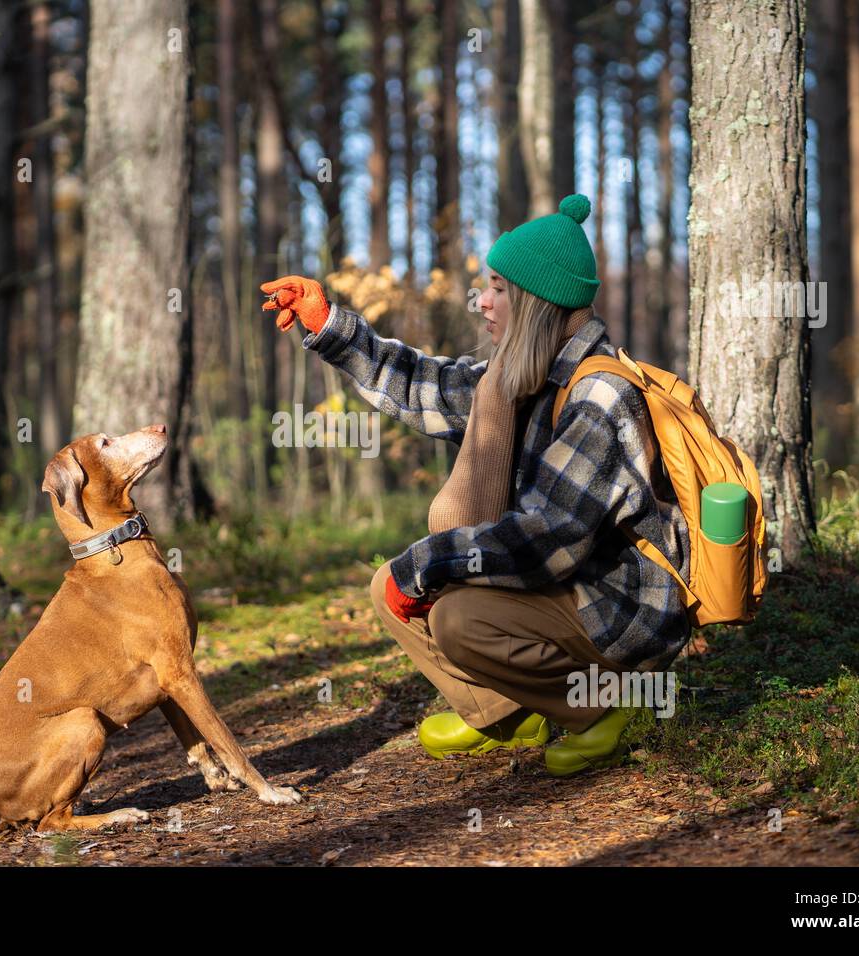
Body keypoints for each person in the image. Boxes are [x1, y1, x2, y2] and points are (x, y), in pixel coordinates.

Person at [260, 194, 690, 776]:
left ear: (537, 303)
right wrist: (331, 327)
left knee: (458, 617)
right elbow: (425, 387)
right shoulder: (518, 378)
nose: (482, 301)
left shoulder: (599, 396)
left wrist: (431, 563)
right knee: (387, 587)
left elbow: (547, 541)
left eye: (499, 288)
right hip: (570, 589)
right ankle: (506, 712)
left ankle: (601, 708)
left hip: (619, 609)